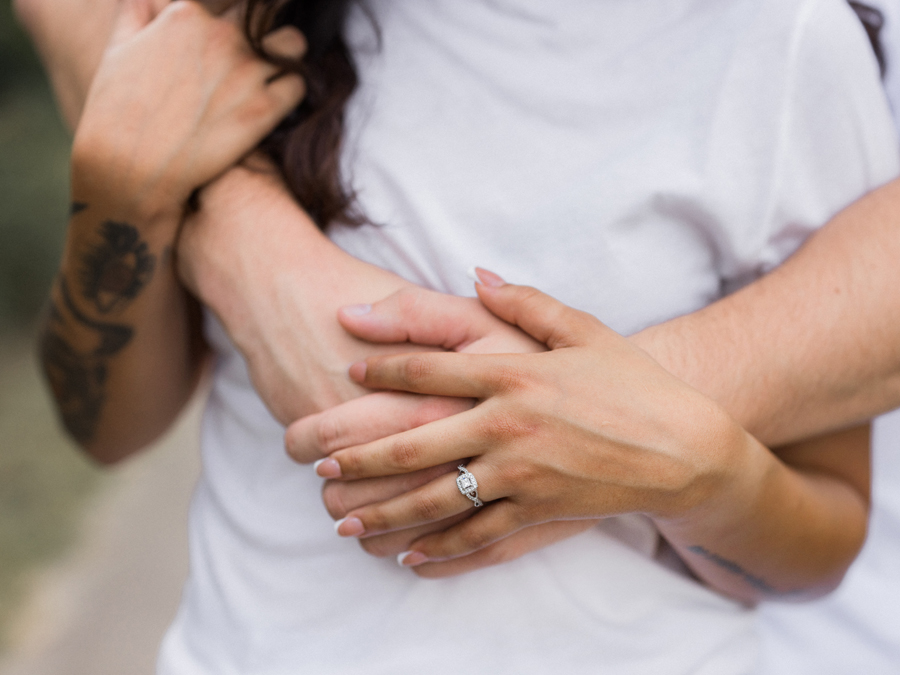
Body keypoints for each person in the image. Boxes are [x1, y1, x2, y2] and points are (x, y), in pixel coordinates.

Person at [26, 0, 897, 673]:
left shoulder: (783, 42)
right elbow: (103, 426)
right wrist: (116, 191)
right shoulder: (248, 28)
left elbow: (815, 543)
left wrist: (679, 461)